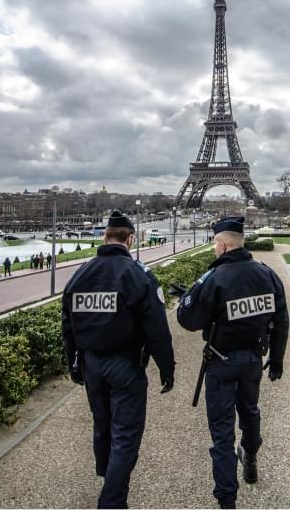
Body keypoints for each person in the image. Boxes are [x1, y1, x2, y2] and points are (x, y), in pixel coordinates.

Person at [62, 209, 175, 509]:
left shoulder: (80, 274)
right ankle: (111, 501)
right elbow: (157, 328)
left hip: (91, 364)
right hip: (125, 364)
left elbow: (67, 323)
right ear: (130, 239)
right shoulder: (138, 275)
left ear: (105, 236)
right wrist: (167, 367)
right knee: (125, 435)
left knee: (103, 425)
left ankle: (108, 477)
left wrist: (72, 360)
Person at [177, 216, 289, 509]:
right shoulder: (267, 275)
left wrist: (190, 298)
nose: (215, 249)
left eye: (215, 244)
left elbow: (189, 321)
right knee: (250, 411)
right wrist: (276, 359)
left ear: (223, 245)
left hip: (221, 362)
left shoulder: (215, 279)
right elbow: (282, 321)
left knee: (222, 433)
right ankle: (250, 454)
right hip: (253, 358)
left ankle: (227, 498)